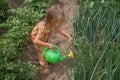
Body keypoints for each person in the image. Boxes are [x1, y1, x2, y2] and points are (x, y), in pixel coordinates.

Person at [31, 4, 72, 73]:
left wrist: (68, 36)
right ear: (52, 21)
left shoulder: (51, 24)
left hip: (44, 38)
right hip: (38, 40)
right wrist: (46, 44)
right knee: (42, 54)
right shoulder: (43, 28)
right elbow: (36, 41)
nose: (60, 24)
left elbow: (60, 30)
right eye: (59, 23)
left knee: (47, 47)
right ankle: (43, 68)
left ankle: (47, 57)